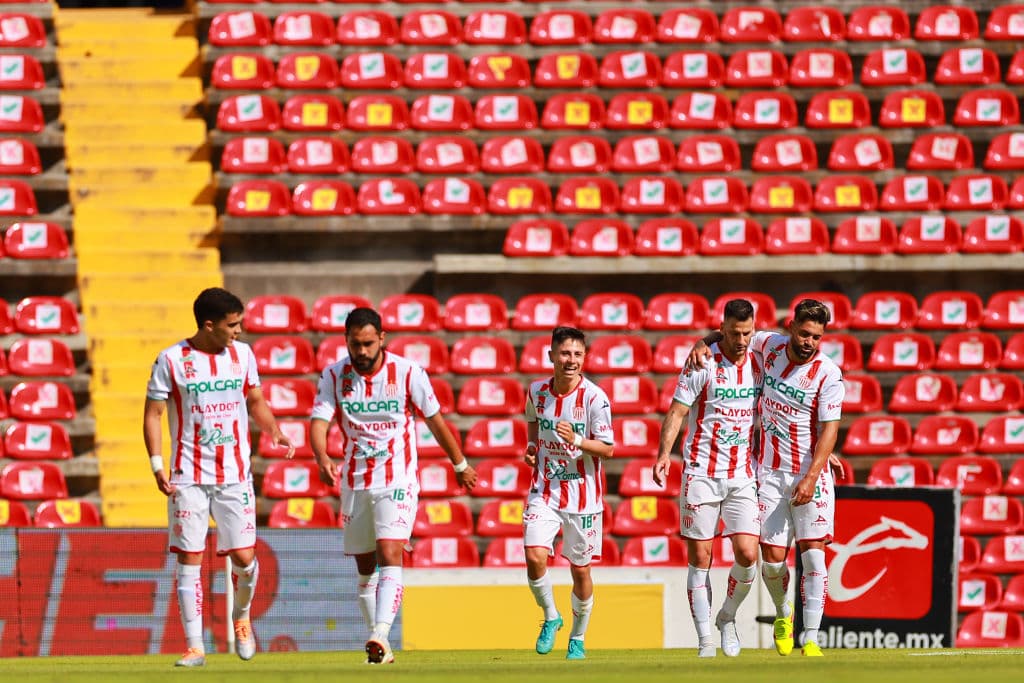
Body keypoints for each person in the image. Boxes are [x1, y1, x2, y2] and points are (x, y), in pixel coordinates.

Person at [310, 307, 477, 665]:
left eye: (369, 343)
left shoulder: (408, 372)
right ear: (346, 342)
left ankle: (381, 634)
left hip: (397, 479)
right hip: (355, 482)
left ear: (382, 339)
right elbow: (319, 420)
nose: (362, 352)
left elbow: (435, 420)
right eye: (355, 345)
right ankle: (380, 647)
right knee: (365, 566)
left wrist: (460, 464)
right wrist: (321, 455)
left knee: (390, 552)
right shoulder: (334, 375)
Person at [144, 287, 295, 668]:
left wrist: (273, 431)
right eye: (233, 325)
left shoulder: (242, 355)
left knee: (245, 558)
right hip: (187, 475)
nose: (239, 331)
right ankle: (195, 646)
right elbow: (153, 414)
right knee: (190, 560)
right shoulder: (172, 360)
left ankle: (241, 618)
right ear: (209, 326)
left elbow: (255, 399)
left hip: (234, 475)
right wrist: (157, 464)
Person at [689, 299, 844, 657]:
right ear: (791, 327)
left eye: (817, 337)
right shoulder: (768, 345)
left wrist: (814, 471)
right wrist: (703, 342)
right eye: (804, 333)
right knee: (772, 563)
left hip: (811, 476)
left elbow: (830, 429)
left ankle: (812, 638)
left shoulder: (829, 373)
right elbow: (732, 336)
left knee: (815, 557)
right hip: (770, 474)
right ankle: (784, 612)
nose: (809, 342)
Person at [654, 299, 762, 658]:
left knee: (748, 554)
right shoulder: (703, 361)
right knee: (701, 557)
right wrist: (663, 455)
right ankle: (705, 642)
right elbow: (677, 411)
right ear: (723, 327)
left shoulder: (763, 358)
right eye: (734, 333)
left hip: (741, 475)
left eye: (747, 332)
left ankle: (727, 616)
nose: (742, 339)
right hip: (700, 472)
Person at [523, 326, 614, 661]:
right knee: (534, 556)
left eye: (577, 354)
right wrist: (532, 446)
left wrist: (576, 441)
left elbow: (607, 449)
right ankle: (551, 616)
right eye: (565, 353)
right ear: (551, 356)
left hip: (583, 497)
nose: (571, 360)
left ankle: (577, 637)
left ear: (584, 358)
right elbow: (533, 419)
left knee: (580, 571)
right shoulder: (536, 391)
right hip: (544, 490)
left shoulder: (594, 398)